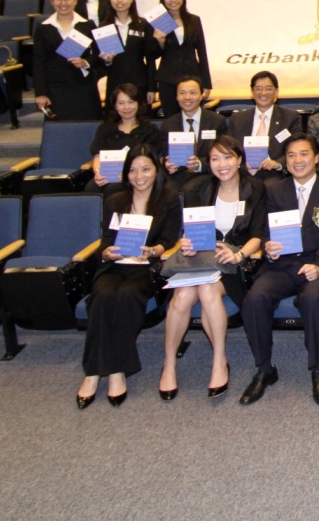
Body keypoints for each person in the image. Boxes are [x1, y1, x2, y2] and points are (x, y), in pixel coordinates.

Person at [239, 134, 319, 406]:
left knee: (312, 299)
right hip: (281, 264)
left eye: (304, 154)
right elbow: (263, 230)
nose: (298, 160)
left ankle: (317, 368)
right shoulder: (274, 191)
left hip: (315, 266)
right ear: (285, 161)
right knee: (254, 299)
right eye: (291, 155)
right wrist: (268, 245)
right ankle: (264, 368)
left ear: (317, 157)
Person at [76, 145, 182, 408]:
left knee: (126, 294)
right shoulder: (115, 201)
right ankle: (95, 372)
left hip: (148, 268)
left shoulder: (168, 199)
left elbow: (170, 239)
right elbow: (107, 240)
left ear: (156, 171)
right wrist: (108, 252)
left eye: (146, 169)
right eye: (133, 170)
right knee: (102, 296)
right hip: (115, 265)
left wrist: (155, 250)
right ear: (126, 174)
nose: (140, 176)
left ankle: (115, 370)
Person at [162, 136, 266, 400]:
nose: (222, 164)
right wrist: (187, 243)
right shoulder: (198, 188)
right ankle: (169, 364)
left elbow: (258, 234)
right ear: (208, 163)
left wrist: (239, 254)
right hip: (202, 257)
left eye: (228, 157)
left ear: (240, 159)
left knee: (208, 291)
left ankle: (219, 361)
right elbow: (191, 230)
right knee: (182, 295)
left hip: (236, 262)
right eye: (215, 159)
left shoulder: (256, 188)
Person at [32, 0, 102, 120]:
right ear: (52, 1)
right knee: (61, 132)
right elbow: (39, 63)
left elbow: (99, 55)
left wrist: (86, 62)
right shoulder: (43, 27)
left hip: (84, 87)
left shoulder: (87, 25)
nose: (63, 3)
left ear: (75, 0)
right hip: (56, 89)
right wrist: (41, 93)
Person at [227, 71, 303, 180]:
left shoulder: (290, 117)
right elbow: (230, 148)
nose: (263, 92)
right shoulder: (238, 118)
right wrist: (240, 163)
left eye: (268, 88)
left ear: (276, 91)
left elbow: (297, 148)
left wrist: (278, 163)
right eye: (258, 88)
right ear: (252, 92)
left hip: (273, 173)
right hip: (242, 172)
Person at [88, 83, 164, 192]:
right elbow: (98, 156)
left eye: (131, 102)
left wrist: (129, 173)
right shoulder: (105, 129)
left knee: (114, 189)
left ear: (138, 104)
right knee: (92, 187)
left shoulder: (149, 131)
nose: (126, 107)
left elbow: (152, 161)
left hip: (137, 177)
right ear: (115, 106)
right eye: (121, 103)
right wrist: (98, 172)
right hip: (108, 176)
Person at [149, 0, 210, 113]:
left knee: (194, 118)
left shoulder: (194, 20)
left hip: (193, 78)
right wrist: (160, 42)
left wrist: (206, 83)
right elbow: (152, 55)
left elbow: (202, 52)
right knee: (172, 120)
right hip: (168, 79)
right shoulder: (157, 22)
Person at [159, 75, 226, 189]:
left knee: (191, 189)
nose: (187, 97)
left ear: (201, 95)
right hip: (177, 176)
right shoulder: (168, 125)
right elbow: (165, 156)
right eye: (182, 93)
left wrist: (199, 164)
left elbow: (223, 154)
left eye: (192, 93)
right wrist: (168, 165)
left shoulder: (217, 121)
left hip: (208, 174)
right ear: (176, 96)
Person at [97, 0, 156, 107]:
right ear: (109, 0)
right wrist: (107, 61)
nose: (119, 0)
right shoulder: (104, 27)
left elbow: (150, 59)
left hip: (140, 83)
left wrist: (152, 88)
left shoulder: (143, 24)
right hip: (115, 83)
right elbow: (101, 63)